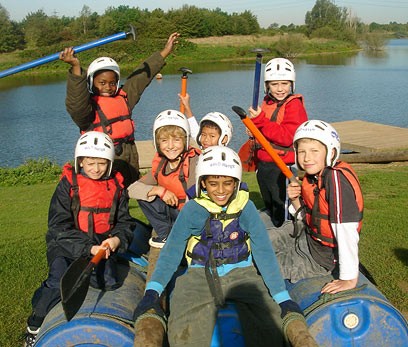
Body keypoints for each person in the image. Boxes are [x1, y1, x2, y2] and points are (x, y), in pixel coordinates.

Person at [133, 146, 307, 347]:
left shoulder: (246, 208)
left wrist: (282, 297)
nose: (221, 190)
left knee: (271, 328)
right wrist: (153, 291)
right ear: (203, 183)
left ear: (236, 183)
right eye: (213, 184)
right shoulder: (192, 210)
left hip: (243, 275)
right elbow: (171, 252)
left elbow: (264, 252)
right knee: (183, 333)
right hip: (197, 276)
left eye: (228, 183)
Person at [24, 131, 135, 347]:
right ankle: (34, 324)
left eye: (102, 163)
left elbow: (125, 223)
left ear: (109, 163)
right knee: (59, 282)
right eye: (90, 163)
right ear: (80, 162)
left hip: (100, 245)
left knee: (109, 283)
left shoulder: (117, 188)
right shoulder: (68, 186)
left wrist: (116, 241)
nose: (96, 169)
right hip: (66, 245)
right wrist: (87, 248)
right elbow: (57, 227)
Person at [59, 32, 180, 187]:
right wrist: (76, 66)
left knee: (131, 193)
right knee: (110, 198)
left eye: (112, 82)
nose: (107, 87)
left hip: (130, 155)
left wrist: (165, 51)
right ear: (91, 82)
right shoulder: (87, 109)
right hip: (105, 159)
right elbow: (75, 102)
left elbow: (141, 78)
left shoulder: (124, 97)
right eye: (101, 83)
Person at [269, 120, 364, 294]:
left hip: (320, 258)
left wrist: (348, 278)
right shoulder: (313, 177)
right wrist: (296, 199)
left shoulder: (335, 180)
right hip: (306, 237)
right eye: (302, 151)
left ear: (331, 151)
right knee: (258, 244)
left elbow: (345, 229)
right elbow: (306, 218)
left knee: (264, 267)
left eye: (314, 151)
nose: (307, 158)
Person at [248, 58, 308, 227]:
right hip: (265, 164)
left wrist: (260, 121)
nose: (280, 89)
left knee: (283, 208)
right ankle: (272, 231)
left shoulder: (294, 105)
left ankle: (288, 236)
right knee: (270, 204)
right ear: (267, 86)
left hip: (283, 166)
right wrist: (254, 127)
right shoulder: (267, 102)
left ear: (292, 83)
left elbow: (288, 137)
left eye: (284, 83)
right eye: (274, 84)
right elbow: (265, 128)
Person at [127, 109, 200, 248]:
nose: (171, 146)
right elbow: (131, 190)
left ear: (185, 140)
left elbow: (194, 200)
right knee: (145, 195)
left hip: (191, 216)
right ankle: (166, 235)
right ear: (157, 143)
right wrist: (159, 190)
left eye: (177, 140)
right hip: (174, 213)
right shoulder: (161, 164)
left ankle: (181, 237)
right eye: (164, 141)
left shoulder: (193, 161)